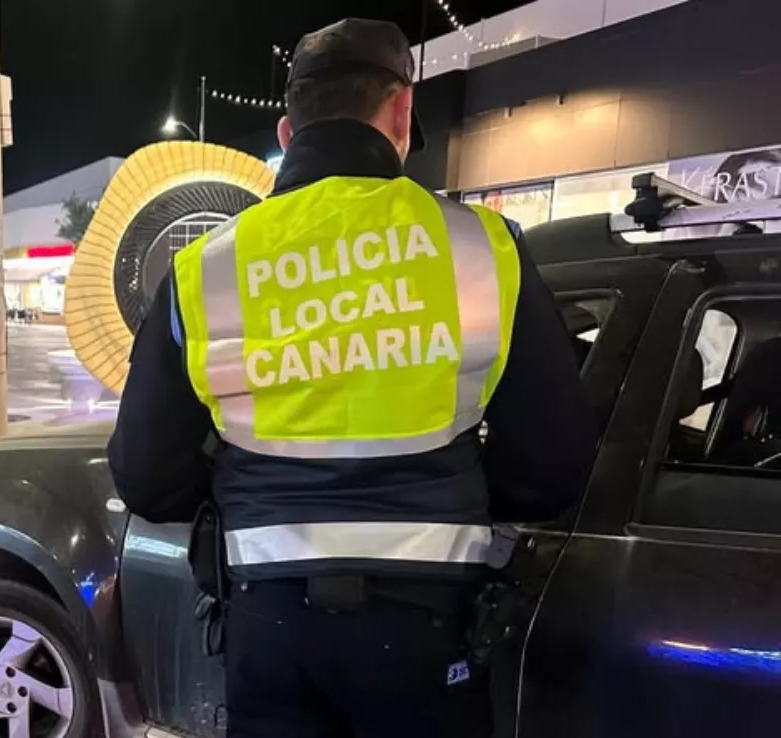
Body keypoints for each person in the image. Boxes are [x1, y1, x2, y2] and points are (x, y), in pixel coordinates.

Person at [106, 18, 597, 738]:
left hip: (269, 627)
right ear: (401, 114)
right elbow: (553, 467)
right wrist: (453, 490)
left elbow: (145, 475)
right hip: (431, 629)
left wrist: (244, 489)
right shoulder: (480, 247)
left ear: (285, 131)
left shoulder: (206, 268)